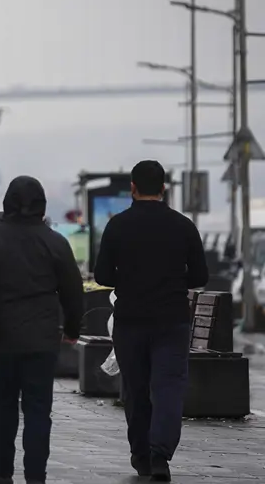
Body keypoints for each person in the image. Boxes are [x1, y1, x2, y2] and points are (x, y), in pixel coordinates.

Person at [0, 176, 83, 484]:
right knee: (38, 409)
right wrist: (71, 328)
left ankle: (2, 472)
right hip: (42, 337)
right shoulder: (55, 241)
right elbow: (72, 290)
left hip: (1, 335)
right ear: (42, 205)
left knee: (3, 406)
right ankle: (35, 476)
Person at [94, 160, 208, 482]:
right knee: (169, 388)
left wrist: (130, 277)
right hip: (172, 321)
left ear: (132, 187)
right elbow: (200, 275)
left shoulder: (117, 226)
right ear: (163, 189)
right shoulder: (183, 226)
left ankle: (141, 455)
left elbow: (103, 275)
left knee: (136, 388)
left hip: (130, 321)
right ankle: (161, 456)